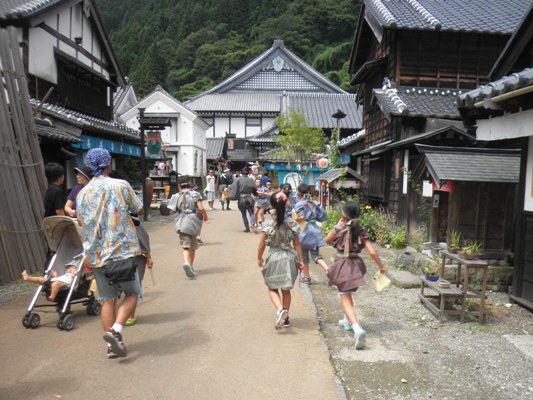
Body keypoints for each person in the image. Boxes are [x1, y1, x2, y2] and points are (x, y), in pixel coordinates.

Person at [77, 148, 143, 359]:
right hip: (121, 251)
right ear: (108, 164)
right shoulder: (120, 185)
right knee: (132, 294)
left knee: (107, 299)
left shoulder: (81, 193)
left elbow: (82, 223)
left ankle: (110, 346)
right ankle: (116, 331)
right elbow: (139, 209)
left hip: (97, 255)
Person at [324, 202, 387, 350]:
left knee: (345, 298)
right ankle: (347, 320)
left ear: (343, 213)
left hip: (342, 266)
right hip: (356, 265)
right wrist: (381, 266)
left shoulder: (339, 227)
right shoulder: (361, 229)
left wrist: (338, 224)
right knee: (348, 294)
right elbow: (372, 251)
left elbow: (327, 240)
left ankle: (357, 328)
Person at [258, 192, 304, 329]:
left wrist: (259, 257)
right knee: (286, 289)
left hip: (274, 257)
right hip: (290, 257)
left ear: (271, 206)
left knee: (272, 287)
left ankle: (280, 310)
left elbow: (261, 245)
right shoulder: (292, 223)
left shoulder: (268, 224)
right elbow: (297, 244)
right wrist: (301, 260)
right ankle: (286, 318)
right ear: (286, 206)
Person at [167, 175, 208, 278]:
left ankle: (186, 262)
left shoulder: (175, 196)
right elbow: (201, 208)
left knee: (185, 246)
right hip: (194, 222)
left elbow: (171, 211)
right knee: (193, 247)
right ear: (190, 184)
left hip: (181, 222)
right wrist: (205, 215)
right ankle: (191, 265)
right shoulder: (195, 194)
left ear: (179, 185)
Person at [293, 183, 329, 284]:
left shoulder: (299, 204)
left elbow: (301, 217)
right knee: (316, 255)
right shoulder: (315, 203)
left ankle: (307, 277)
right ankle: (328, 270)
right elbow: (322, 217)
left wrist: (294, 218)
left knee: (303, 256)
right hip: (314, 230)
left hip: (304, 232)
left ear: (298, 193)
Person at [229, 167, 258, 232]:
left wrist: (233, 197)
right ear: (248, 173)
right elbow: (254, 189)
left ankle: (247, 228)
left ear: (241, 173)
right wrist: (256, 194)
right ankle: (253, 224)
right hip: (249, 198)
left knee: (243, 214)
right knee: (251, 213)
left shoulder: (238, 179)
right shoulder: (251, 180)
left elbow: (233, 188)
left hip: (241, 199)